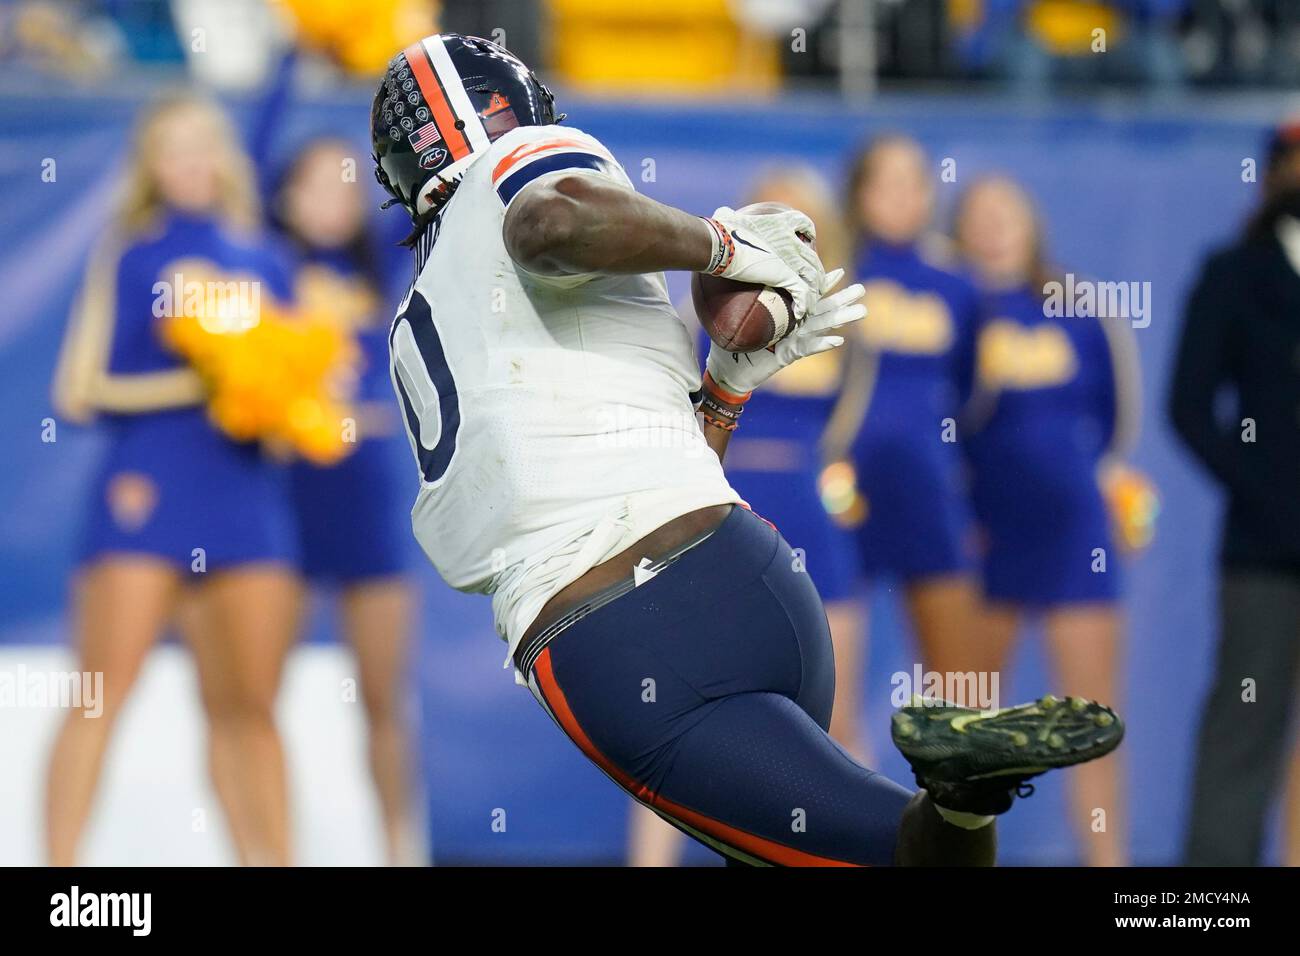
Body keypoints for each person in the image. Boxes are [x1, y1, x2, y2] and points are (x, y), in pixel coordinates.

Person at [371, 33, 1123, 865]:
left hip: (615, 638)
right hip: (743, 573)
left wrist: (724, 247)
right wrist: (726, 385)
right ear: (513, 106)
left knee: (897, 851)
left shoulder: (425, 310)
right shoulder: (513, 197)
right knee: (887, 850)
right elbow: (555, 236)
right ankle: (963, 804)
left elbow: (548, 221)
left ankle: (963, 800)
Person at [47, 95, 300, 866]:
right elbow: (77, 390)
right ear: (151, 166)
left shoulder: (266, 259)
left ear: (224, 157)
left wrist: (282, 401)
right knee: (100, 695)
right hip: (145, 492)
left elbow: (292, 399)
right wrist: (205, 384)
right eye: (174, 149)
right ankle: (61, 877)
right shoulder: (127, 251)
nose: (192, 162)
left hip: (243, 498)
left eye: (204, 146)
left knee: (249, 711)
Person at [626, 165, 867, 866]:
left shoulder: (845, 317)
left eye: (803, 224)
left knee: (835, 722)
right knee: (675, 716)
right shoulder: (695, 312)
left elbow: (855, 426)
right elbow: (670, 414)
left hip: (812, 524)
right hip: (716, 509)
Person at [954, 175, 1140, 866]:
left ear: (1033, 222)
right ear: (960, 230)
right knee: (967, 732)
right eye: (980, 214)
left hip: (1074, 534)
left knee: (1091, 723)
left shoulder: (1078, 306)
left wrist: (1105, 486)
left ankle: (1109, 866)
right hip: (982, 536)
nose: (997, 226)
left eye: (1009, 212)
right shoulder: (954, 307)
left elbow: (1119, 418)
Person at [269, 136, 425, 866]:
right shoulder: (263, 265)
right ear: (285, 195)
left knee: (382, 700)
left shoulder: (382, 269)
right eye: (316, 183)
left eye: (347, 184)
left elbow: (426, 193)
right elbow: (254, 142)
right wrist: (298, 46)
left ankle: (396, 848)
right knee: (259, 697)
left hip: (363, 501)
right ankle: (268, 845)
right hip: (281, 500)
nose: (335, 198)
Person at [1171, 120, 1300, 866]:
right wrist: (1265, 491)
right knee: (1246, 720)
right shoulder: (1233, 273)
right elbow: (1189, 406)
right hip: (1264, 547)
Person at [823, 134, 983, 684]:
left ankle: (948, 774)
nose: (901, 196)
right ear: (860, 193)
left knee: (958, 689)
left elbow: (973, 395)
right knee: (826, 689)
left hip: (929, 490)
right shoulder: (831, 276)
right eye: (885, 182)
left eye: (913, 182)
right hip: (844, 492)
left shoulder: (959, 284)